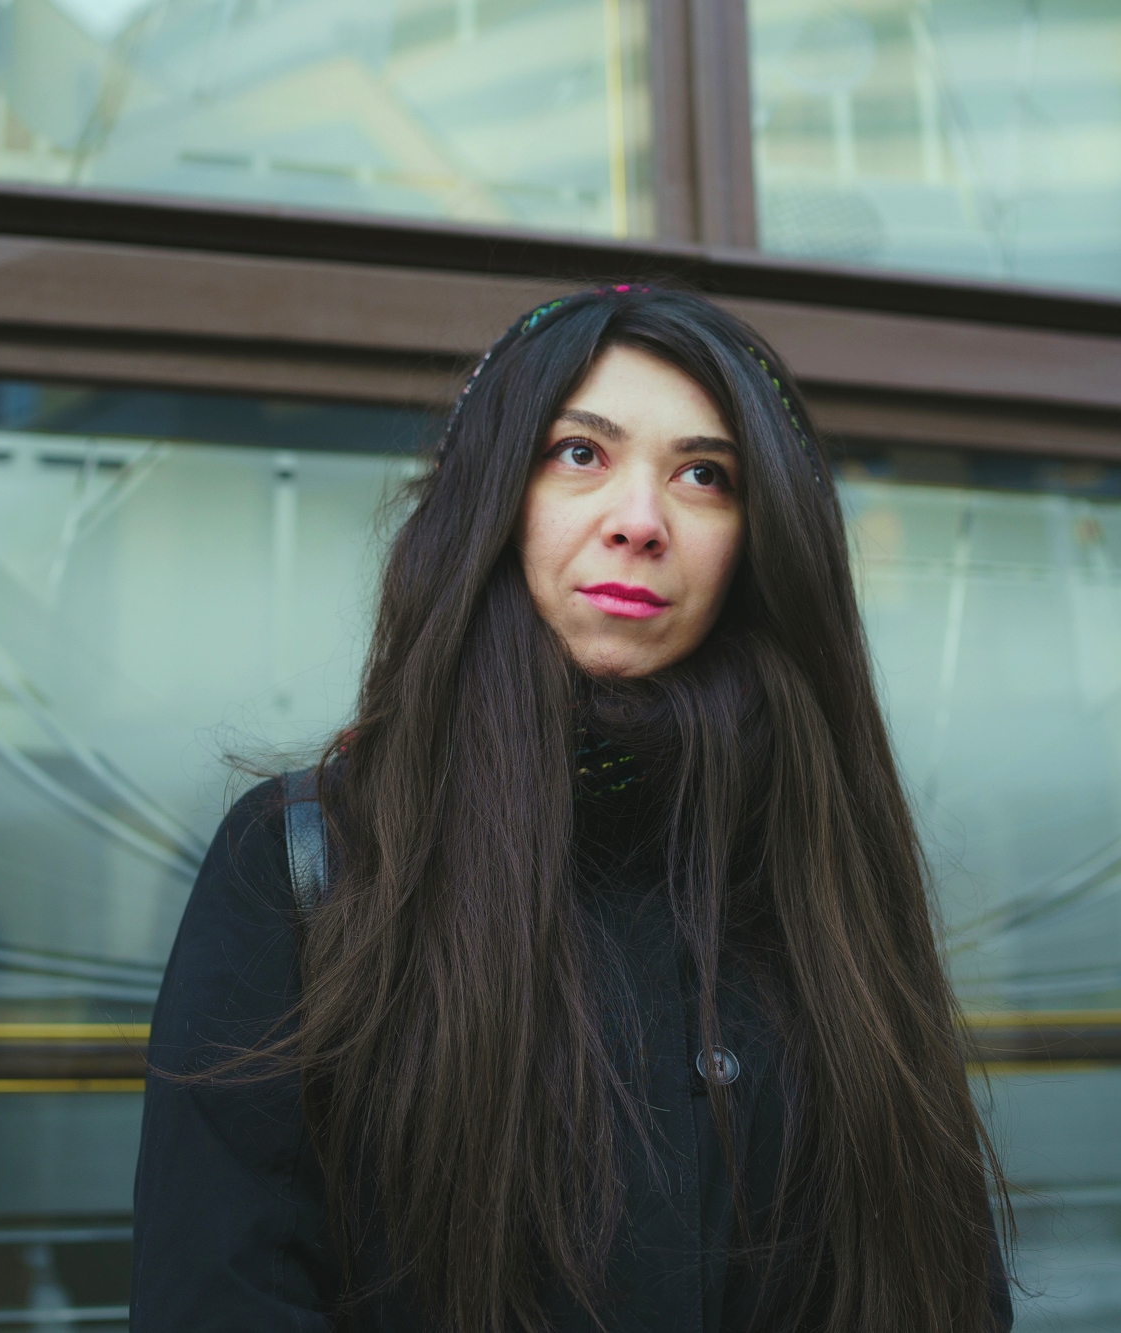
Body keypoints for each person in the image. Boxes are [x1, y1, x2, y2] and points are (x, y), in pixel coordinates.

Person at [132, 284, 1013, 1333]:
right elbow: (219, 1293)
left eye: (703, 474)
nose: (639, 522)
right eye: (579, 453)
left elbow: (939, 1283)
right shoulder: (307, 857)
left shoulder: (819, 861)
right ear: (493, 498)